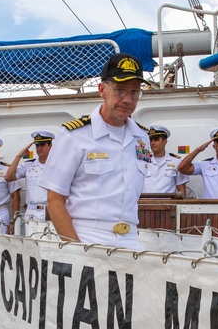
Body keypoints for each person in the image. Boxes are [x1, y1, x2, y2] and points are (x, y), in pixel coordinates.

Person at [38, 52, 152, 249]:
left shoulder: (142, 138)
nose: (127, 99)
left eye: (134, 92)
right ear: (102, 90)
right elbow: (55, 198)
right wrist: (77, 251)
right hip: (88, 238)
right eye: (120, 90)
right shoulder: (74, 136)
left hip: (131, 239)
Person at [5, 130, 54, 236]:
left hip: (49, 211)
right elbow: (9, 177)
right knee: (31, 246)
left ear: (50, 145)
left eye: (42, 145)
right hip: (31, 212)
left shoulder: (56, 166)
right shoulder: (29, 165)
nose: (39, 148)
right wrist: (18, 156)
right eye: (37, 145)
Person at [141, 125, 188, 198]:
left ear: (165, 142)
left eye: (156, 139)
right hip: (145, 205)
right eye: (151, 140)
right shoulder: (142, 160)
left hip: (167, 206)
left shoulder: (176, 161)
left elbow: (181, 189)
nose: (152, 143)